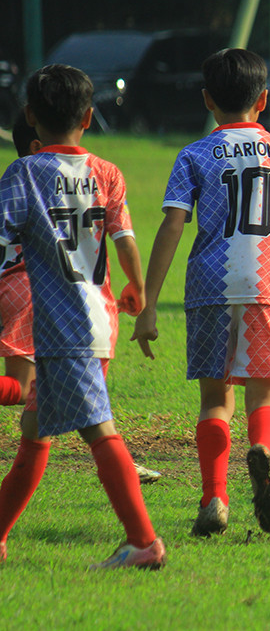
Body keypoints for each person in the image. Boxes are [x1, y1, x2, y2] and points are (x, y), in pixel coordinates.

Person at [132, 48, 270, 536]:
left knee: (215, 400)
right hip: (268, 282)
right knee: (266, 395)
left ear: (206, 100)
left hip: (209, 284)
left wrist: (149, 302)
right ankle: (261, 451)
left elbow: (172, 226)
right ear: (263, 101)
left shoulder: (194, 154)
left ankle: (215, 498)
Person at [0, 64, 164, 568]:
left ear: (29, 116)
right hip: (98, 318)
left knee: (99, 431)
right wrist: (137, 289)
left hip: (64, 327)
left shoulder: (24, 173)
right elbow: (125, 239)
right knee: (34, 434)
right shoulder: (107, 172)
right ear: (89, 117)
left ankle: (143, 541)